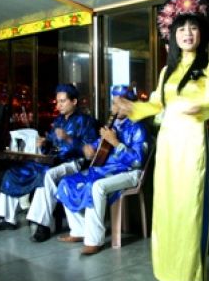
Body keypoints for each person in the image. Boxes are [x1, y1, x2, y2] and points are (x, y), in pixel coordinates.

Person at [116, 0, 209, 281]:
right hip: (168, 145)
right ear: (172, 35)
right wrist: (131, 108)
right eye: (181, 29)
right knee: (166, 208)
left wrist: (200, 108)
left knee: (190, 208)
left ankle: (190, 276)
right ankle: (170, 272)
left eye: (193, 28)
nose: (187, 33)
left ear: (201, 33)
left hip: (192, 145)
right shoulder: (167, 71)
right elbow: (155, 105)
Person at [0, 84, 97, 235]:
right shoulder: (58, 121)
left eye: (62, 101)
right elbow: (50, 142)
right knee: (14, 171)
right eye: (57, 101)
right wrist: (44, 143)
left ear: (74, 101)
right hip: (51, 160)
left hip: (72, 162)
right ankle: (5, 219)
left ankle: (41, 225)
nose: (59, 105)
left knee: (45, 175)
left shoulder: (86, 121)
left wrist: (68, 138)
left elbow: (89, 152)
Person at [55, 85, 149, 255]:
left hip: (129, 172)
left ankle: (94, 240)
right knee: (66, 182)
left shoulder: (138, 127)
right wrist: (91, 147)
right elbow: (100, 144)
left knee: (96, 186)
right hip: (106, 169)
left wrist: (115, 143)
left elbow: (137, 161)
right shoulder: (114, 125)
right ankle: (79, 230)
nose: (115, 108)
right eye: (113, 103)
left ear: (130, 104)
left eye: (119, 104)